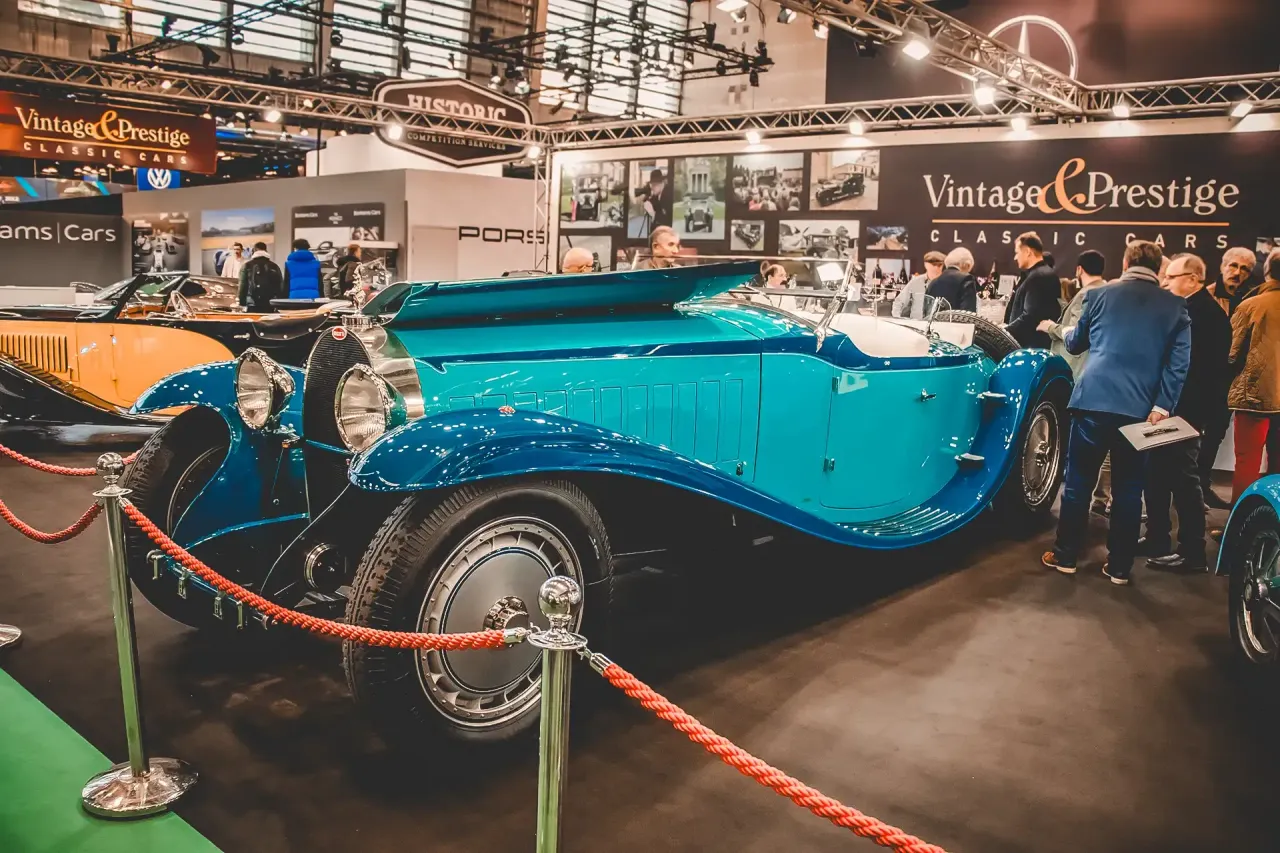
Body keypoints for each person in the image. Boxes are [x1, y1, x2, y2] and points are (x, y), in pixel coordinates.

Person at [1042, 240, 1191, 585]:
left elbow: (1075, 344)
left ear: (1125, 263)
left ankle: (1065, 555)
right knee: (1129, 489)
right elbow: (1178, 365)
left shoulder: (1099, 296)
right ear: (1158, 268)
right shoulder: (1176, 307)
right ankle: (1119, 566)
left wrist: (1066, 330)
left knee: (1078, 483)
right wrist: (1162, 406)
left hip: (1093, 400)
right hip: (1140, 410)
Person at [1145, 253, 1231, 572]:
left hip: (1185, 411)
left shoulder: (1203, 314)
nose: (1165, 282)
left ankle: (1192, 551)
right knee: (1157, 474)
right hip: (1174, 408)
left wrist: (1171, 408)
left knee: (1183, 479)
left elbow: (1197, 371)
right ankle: (1157, 537)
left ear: (1193, 279)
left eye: (1172, 277)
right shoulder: (1190, 309)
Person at [1038, 249, 1111, 513]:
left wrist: (1049, 326)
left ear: (1079, 269)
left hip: (1076, 369)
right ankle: (1100, 497)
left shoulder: (1088, 294)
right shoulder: (1106, 291)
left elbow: (1077, 333)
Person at [1200, 247, 1261, 506]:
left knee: (1215, 434)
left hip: (1230, 381)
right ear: (1223, 265)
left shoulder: (1252, 299)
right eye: (1233, 265)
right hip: (1201, 377)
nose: (1237, 272)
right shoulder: (1206, 296)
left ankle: (1201, 485)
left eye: (1244, 268)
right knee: (1191, 433)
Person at [1226, 248, 1280, 502]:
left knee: (1247, 462)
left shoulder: (1250, 305)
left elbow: (1231, 353)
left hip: (1254, 397)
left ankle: (1241, 519)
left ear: (1266, 271)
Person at [1004, 232, 1062, 349]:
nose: (1015, 257)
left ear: (1027, 252)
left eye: (1017, 252)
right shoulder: (1039, 274)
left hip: (1032, 350)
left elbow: (1030, 317)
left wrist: (1004, 332)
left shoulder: (1039, 277)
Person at [892, 251, 945, 319]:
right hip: (916, 323)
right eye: (934, 265)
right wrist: (897, 319)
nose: (937, 268)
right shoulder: (916, 282)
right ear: (926, 265)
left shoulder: (946, 283)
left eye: (940, 265)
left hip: (938, 323)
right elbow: (899, 302)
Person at [926, 247, 978, 312]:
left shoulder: (932, 283)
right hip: (956, 318)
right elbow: (968, 313)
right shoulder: (966, 279)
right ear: (967, 265)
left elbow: (926, 312)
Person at [237, 242, 283, 312]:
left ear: (254, 251)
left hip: (252, 303)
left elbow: (242, 285)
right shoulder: (274, 266)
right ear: (266, 251)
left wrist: (242, 302)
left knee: (252, 318)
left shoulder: (247, 266)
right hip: (269, 303)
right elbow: (280, 286)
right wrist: (278, 303)